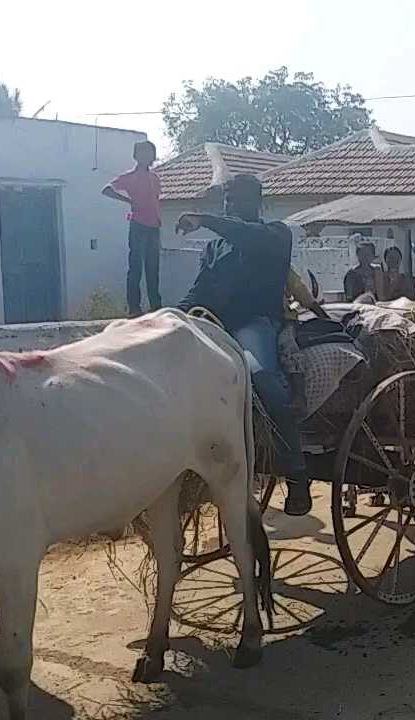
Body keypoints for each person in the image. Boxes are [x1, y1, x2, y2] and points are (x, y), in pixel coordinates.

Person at [175, 174, 314, 516]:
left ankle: (297, 473)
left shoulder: (276, 236)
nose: (230, 206)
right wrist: (168, 317)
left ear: (256, 202)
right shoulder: (214, 248)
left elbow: (245, 234)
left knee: (262, 377)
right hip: (214, 327)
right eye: (226, 201)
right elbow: (198, 292)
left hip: (254, 326)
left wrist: (205, 220)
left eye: (236, 200)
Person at [103, 140, 162, 316]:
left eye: (150, 153)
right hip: (138, 225)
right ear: (136, 156)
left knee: (153, 268)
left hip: (154, 227)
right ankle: (134, 308)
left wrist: (158, 220)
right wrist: (129, 201)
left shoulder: (155, 178)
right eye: (144, 153)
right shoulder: (129, 177)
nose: (148, 156)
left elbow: (155, 201)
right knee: (136, 267)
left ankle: (156, 306)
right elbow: (107, 189)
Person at [343, 237, 381, 302]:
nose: (365, 257)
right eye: (362, 254)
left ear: (373, 256)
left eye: (368, 254)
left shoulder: (377, 271)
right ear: (358, 255)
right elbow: (349, 297)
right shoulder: (351, 274)